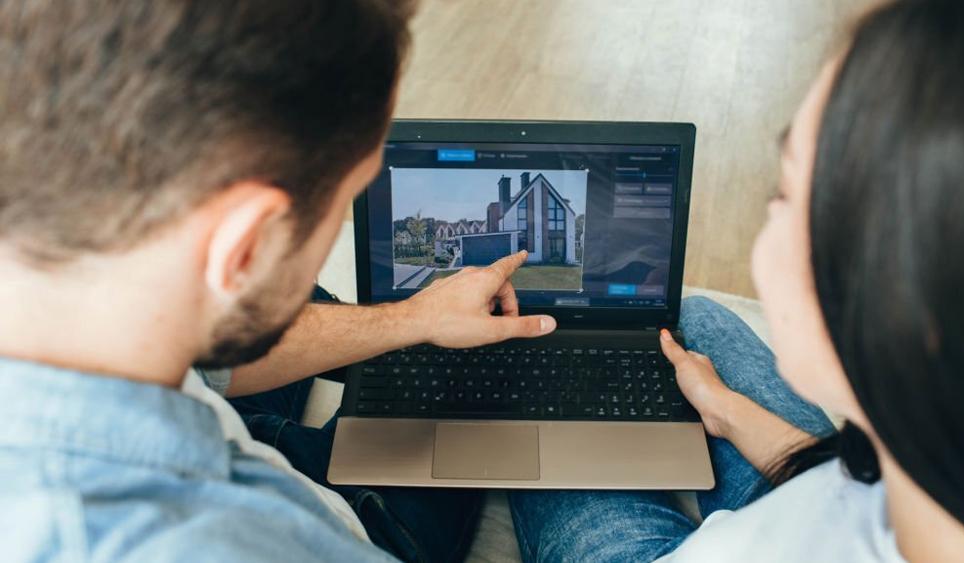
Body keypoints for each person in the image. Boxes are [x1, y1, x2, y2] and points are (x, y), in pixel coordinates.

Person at [0, 1, 557, 562]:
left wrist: (416, 316)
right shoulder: (233, 543)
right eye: (343, 200)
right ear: (245, 244)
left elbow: (210, 362)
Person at [509, 1, 964, 562]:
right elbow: (855, 493)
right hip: (820, 484)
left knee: (542, 408)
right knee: (694, 319)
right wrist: (724, 409)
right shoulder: (941, 470)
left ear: (910, 304)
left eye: (786, 195)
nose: (766, 230)